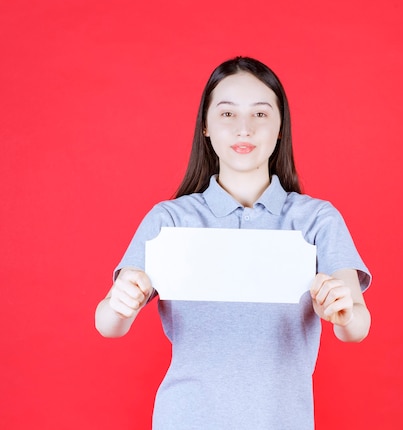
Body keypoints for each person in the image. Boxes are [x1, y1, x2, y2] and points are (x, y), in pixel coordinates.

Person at [95, 56, 371, 429]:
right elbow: (108, 324)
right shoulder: (171, 220)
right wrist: (119, 302)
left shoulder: (316, 219)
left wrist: (345, 314)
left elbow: (356, 325)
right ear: (206, 127)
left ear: (279, 128)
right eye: (227, 114)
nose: (244, 130)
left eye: (260, 114)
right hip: (184, 418)